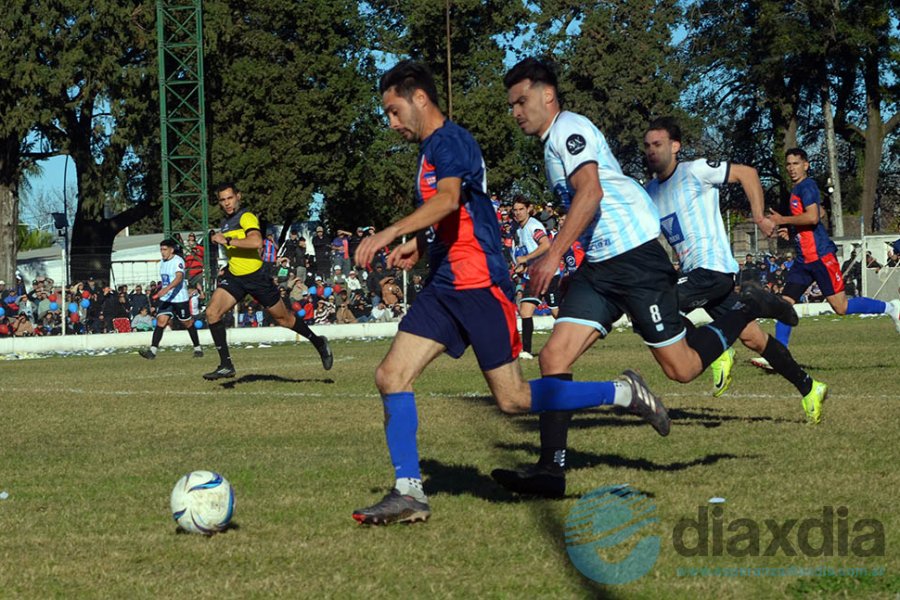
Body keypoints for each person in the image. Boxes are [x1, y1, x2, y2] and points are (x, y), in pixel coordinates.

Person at [351, 60, 672, 526]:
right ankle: (409, 493)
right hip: (445, 284)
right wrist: (418, 242)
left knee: (514, 399)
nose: (391, 122)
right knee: (390, 375)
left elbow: (450, 198)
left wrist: (389, 232)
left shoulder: (450, 140)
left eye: (394, 111)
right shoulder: (429, 149)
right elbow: (453, 206)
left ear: (419, 98)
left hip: (479, 284)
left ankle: (621, 392)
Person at [491, 59, 798, 498]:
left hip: (635, 258)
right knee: (554, 356)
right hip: (601, 266)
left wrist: (553, 255)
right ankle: (551, 471)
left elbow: (592, 192)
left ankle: (748, 305)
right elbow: (589, 206)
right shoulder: (550, 145)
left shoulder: (567, 130)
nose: (516, 111)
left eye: (522, 101)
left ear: (548, 95)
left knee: (682, 369)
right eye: (512, 105)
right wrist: (573, 264)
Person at [762, 148, 900, 357]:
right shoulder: (797, 189)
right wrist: (791, 231)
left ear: (806, 165)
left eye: (796, 163)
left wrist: (783, 220)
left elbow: (813, 217)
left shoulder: (807, 186)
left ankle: (891, 308)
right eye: (788, 164)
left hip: (820, 257)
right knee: (784, 304)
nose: (791, 168)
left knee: (841, 307)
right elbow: (818, 213)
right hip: (803, 260)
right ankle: (779, 355)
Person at [202, 182, 333, 380]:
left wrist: (226, 240)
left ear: (238, 196)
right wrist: (227, 265)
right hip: (235, 277)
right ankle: (226, 365)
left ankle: (319, 342)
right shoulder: (225, 223)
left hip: (256, 277)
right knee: (212, 313)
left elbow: (256, 242)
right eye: (223, 200)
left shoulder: (246, 217)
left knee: (284, 319)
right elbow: (237, 252)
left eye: (230, 198)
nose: (227, 203)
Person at [138, 239, 203, 359]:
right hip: (167, 299)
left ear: (171, 250)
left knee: (187, 323)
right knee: (161, 322)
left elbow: (179, 277)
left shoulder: (178, 261)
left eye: (165, 249)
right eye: (161, 249)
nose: (162, 252)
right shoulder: (163, 262)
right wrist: (163, 291)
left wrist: (166, 289)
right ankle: (152, 351)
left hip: (179, 299)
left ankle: (198, 348)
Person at [510, 195, 553, 359]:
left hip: (548, 273)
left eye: (521, 209)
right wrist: (524, 266)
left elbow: (545, 244)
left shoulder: (533, 226)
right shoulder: (519, 229)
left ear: (529, 209)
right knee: (525, 311)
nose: (518, 213)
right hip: (534, 275)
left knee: (557, 313)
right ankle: (526, 350)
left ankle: (574, 339)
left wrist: (526, 259)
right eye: (515, 210)